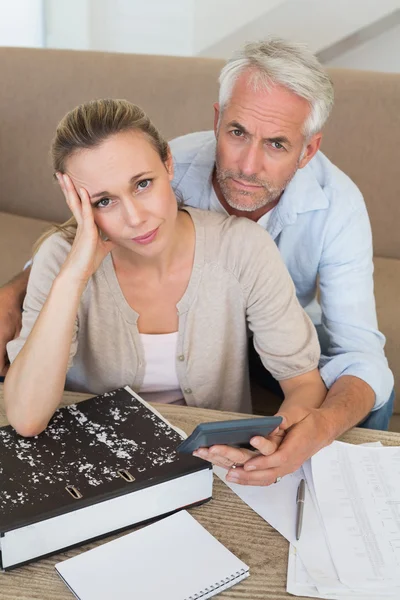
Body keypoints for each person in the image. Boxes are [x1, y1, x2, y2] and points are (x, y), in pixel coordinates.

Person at [0, 38, 394, 484]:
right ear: (217, 121)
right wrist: (28, 288)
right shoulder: (167, 161)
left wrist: (307, 433)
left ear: (307, 150)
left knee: (369, 392)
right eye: (238, 132)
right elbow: (76, 236)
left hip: (274, 325)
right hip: (105, 447)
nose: (247, 166)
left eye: (277, 144)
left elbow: (351, 357)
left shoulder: (327, 211)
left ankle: (346, 483)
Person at [4, 99, 327, 492]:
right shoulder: (60, 259)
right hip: (99, 474)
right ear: (76, 202)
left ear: (168, 164)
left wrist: (274, 445)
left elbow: (303, 383)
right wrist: (74, 275)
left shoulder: (243, 248)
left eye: (143, 184)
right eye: (103, 201)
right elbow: (25, 417)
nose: (135, 218)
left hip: (219, 472)